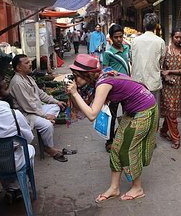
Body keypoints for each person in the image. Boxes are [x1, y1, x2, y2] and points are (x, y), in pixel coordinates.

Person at [66, 54, 158, 202]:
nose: (75, 80)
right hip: (133, 110)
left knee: (127, 150)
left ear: (87, 75)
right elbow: (85, 107)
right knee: (115, 147)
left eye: (76, 76)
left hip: (144, 110)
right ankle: (114, 188)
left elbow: (91, 114)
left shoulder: (103, 83)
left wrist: (75, 92)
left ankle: (137, 188)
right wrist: (74, 94)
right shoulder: (103, 75)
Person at [9, 54, 75, 162]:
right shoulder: (17, 83)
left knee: (56, 106)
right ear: (18, 67)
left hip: (36, 110)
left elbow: (41, 94)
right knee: (47, 125)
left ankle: (47, 126)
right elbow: (28, 106)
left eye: (29, 61)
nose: (30, 64)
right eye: (26, 63)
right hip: (27, 115)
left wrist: (56, 101)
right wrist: (45, 116)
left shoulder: (28, 78)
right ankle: (49, 148)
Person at [160, 28, 181, 149]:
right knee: (171, 112)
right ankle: (176, 138)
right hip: (167, 85)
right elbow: (160, 67)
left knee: (171, 111)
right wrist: (165, 74)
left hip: (179, 85)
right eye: (176, 37)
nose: (178, 39)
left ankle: (163, 130)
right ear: (172, 37)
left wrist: (170, 71)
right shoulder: (165, 51)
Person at [102, 24, 130, 152]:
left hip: (127, 88)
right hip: (114, 89)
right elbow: (104, 70)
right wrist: (111, 71)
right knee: (112, 116)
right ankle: (110, 140)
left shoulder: (127, 48)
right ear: (111, 38)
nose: (119, 39)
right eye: (116, 37)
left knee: (127, 114)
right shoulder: (108, 53)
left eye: (121, 36)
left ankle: (124, 137)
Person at [131, 13, 165, 102]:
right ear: (156, 25)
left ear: (143, 25)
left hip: (138, 82)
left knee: (139, 108)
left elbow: (131, 59)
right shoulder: (160, 41)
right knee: (154, 108)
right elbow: (162, 61)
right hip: (153, 81)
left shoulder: (135, 41)